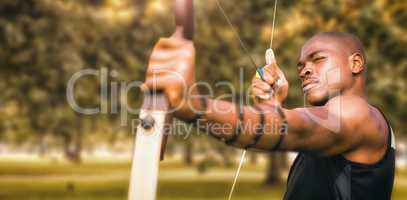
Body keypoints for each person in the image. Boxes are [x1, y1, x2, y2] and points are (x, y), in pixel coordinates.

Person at [142, 32, 395, 200]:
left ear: (356, 64)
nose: (305, 70)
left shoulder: (359, 115)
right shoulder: (333, 127)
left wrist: (194, 105)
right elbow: (293, 124)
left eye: (317, 60)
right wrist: (272, 107)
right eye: (300, 66)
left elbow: (296, 128)